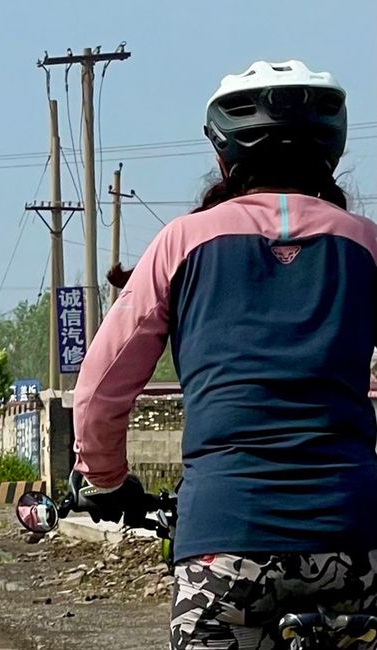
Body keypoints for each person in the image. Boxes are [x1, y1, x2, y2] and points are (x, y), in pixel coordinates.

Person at [68, 60, 377, 649]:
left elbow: (100, 387)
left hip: (225, 543)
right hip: (354, 534)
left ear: (223, 156)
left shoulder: (181, 242)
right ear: (331, 151)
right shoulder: (366, 243)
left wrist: (104, 480)